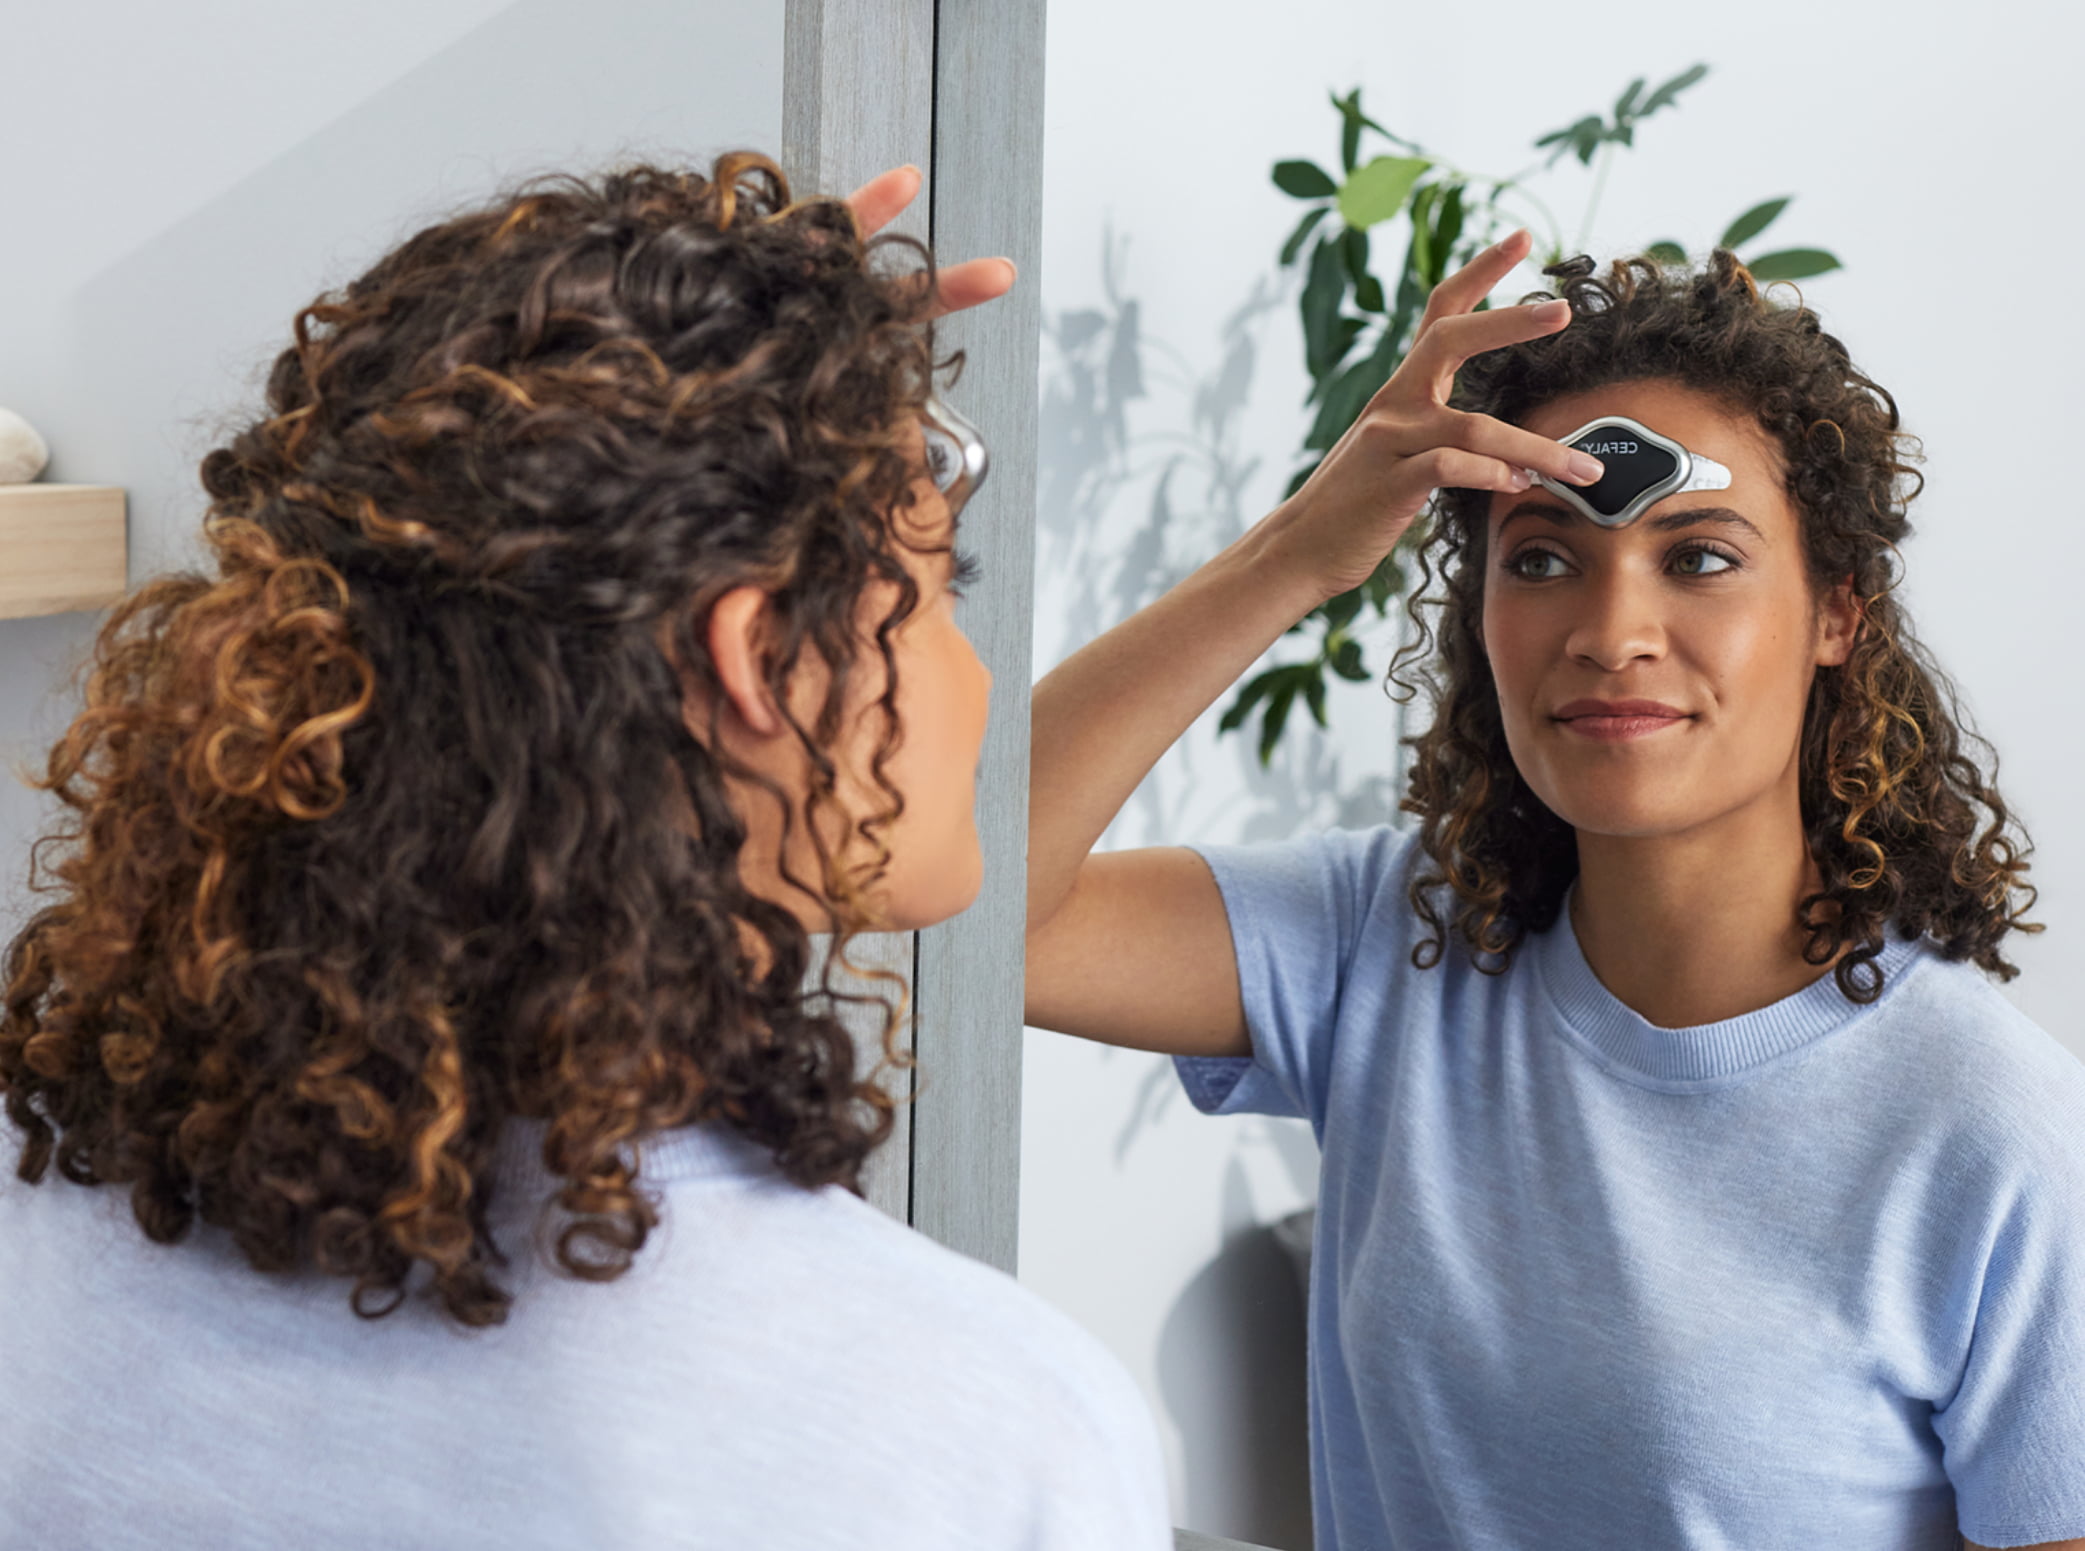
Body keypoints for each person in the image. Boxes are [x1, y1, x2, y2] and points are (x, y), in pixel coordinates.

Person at [0, 153, 1169, 1550]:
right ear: (762, 663)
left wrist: (712, 389)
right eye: (936, 590)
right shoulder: (972, 1433)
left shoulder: (41, 1224)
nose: (973, 676)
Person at [1026, 230, 2085, 1550]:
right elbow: (951, 901)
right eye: (1538, 558)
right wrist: (1297, 553)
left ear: (1837, 616)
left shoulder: (1991, 1133)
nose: (1607, 630)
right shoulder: (1391, 943)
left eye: (1696, 557)